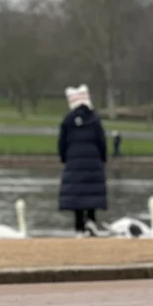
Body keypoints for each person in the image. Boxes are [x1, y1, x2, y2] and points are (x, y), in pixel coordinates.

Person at [58, 84, 108, 236]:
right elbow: (102, 142)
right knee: (92, 193)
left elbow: (62, 144)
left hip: (74, 161)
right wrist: (102, 158)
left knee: (77, 195)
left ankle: (79, 227)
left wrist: (65, 159)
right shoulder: (95, 119)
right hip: (93, 161)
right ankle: (91, 221)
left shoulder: (67, 121)